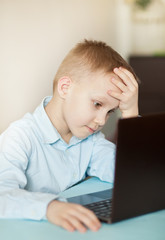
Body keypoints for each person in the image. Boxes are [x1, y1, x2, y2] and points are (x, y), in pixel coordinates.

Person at [0, 40, 139, 233]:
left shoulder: (91, 138)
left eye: (110, 112)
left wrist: (130, 111)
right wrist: (49, 207)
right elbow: (2, 194)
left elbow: (130, 174)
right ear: (65, 88)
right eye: (98, 104)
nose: (101, 121)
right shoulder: (20, 136)